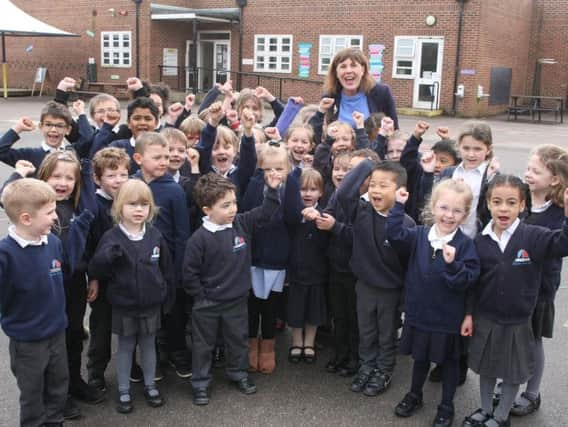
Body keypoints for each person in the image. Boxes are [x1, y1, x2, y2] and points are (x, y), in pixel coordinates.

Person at [463, 175, 568, 427]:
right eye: (497, 201)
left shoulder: (534, 236)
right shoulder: (481, 241)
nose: (503, 208)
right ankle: (486, 409)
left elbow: (563, 244)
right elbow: (472, 284)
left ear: (522, 206)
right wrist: (468, 314)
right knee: (486, 368)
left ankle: (501, 417)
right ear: (488, 203)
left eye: (511, 202)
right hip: (486, 318)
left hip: (518, 321)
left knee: (512, 373)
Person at [183, 170, 283, 405]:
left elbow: (266, 212)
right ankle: (200, 383)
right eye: (225, 205)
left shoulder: (241, 224)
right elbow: (189, 274)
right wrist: (201, 298)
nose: (233, 209)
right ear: (207, 210)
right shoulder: (198, 240)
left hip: (237, 301)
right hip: (207, 305)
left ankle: (238, 373)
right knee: (203, 345)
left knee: (237, 341)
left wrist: (273, 190)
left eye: (234, 203)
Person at [386, 179, 480, 427]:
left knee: (449, 363)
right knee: (420, 358)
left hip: (448, 317)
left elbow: (469, 280)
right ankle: (414, 395)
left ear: (465, 214)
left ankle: (446, 406)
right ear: (433, 206)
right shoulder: (419, 235)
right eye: (444, 208)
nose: (449, 215)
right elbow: (394, 235)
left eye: (457, 210)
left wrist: (453, 264)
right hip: (419, 313)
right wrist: (398, 206)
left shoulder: (465, 245)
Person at [88, 179, 175, 414]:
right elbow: (96, 269)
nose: (138, 210)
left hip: (151, 305)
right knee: (125, 348)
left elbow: (166, 269)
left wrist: (167, 296)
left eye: (144, 205)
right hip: (124, 305)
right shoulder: (112, 237)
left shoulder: (155, 236)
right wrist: (107, 256)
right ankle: (124, 389)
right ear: (118, 207)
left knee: (149, 345)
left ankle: (150, 384)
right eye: (132, 204)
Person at [336, 159, 415, 397]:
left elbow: (410, 266)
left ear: (400, 192)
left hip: (390, 291)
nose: (375, 190)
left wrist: (404, 299)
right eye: (372, 184)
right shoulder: (361, 212)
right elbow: (344, 193)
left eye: (383, 185)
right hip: (364, 286)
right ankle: (367, 365)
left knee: (386, 333)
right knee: (366, 331)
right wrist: (366, 166)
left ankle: (383, 369)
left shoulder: (406, 224)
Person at [0, 179, 69, 427]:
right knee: (32, 395)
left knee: (58, 386)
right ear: (27, 218)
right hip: (28, 342)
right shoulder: (5, 254)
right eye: (50, 212)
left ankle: (55, 422)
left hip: (56, 333)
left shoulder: (53, 243)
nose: (55, 216)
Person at [510, 145, 568, 417]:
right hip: (512, 282)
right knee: (511, 336)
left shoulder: (557, 213)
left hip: (539, 288)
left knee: (532, 340)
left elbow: (559, 246)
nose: (528, 174)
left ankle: (532, 393)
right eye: (528, 168)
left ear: (554, 179)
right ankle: (509, 383)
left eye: (536, 171)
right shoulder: (518, 200)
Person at [131, 132, 192, 378]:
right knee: (146, 315)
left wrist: (178, 271)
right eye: (157, 157)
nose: (164, 161)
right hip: (139, 266)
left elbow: (182, 234)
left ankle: (178, 354)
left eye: (166, 156)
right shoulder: (131, 186)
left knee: (172, 314)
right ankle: (152, 357)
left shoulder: (174, 190)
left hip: (167, 267)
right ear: (138, 158)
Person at [242, 143, 303, 373]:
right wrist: (260, 180)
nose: (273, 173)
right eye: (267, 169)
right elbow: (247, 209)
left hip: (277, 258)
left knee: (270, 306)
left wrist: (288, 183)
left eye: (279, 168)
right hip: (253, 258)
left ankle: (268, 345)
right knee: (251, 306)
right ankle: (250, 344)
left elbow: (293, 218)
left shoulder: (289, 187)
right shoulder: (256, 185)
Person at [85, 147, 131, 392]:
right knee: (101, 326)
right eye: (111, 175)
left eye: (123, 175)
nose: (118, 181)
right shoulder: (93, 206)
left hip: (129, 277)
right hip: (103, 278)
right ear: (97, 178)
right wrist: (93, 277)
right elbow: (89, 247)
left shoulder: (132, 201)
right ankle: (96, 371)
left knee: (130, 324)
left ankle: (131, 364)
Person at [289, 169, 329, 363]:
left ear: (320, 193)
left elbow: (325, 244)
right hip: (296, 272)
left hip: (316, 272)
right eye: (303, 189)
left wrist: (317, 221)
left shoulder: (324, 215)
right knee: (296, 309)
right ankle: (297, 342)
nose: (307, 193)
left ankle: (309, 343)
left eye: (313, 189)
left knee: (313, 310)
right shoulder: (293, 213)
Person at [439, 121, 498, 238]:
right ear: (458, 146)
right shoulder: (449, 173)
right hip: (446, 236)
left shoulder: (492, 176)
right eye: (466, 148)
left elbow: (489, 211)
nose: (471, 154)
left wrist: (489, 181)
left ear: (488, 149)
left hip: (473, 239)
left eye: (477, 149)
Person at [322, 47, 399, 129]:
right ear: (336, 72)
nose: (348, 71)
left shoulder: (381, 93)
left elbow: (394, 131)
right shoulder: (330, 96)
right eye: (343, 66)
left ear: (363, 70)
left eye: (353, 65)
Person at [90, 97, 160, 173]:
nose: (142, 123)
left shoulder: (163, 147)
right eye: (137, 118)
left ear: (156, 123)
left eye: (148, 119)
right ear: (128, 123)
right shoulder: (118, 147)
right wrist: (107, 126)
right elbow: (96, 160)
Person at [0, 101, 75, 169]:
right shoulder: (29, 155)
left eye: (59, 126)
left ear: (68, 130)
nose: (53, 130)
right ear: (41, 127)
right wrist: (17, 128)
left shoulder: (74, 153)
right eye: (48, 125)